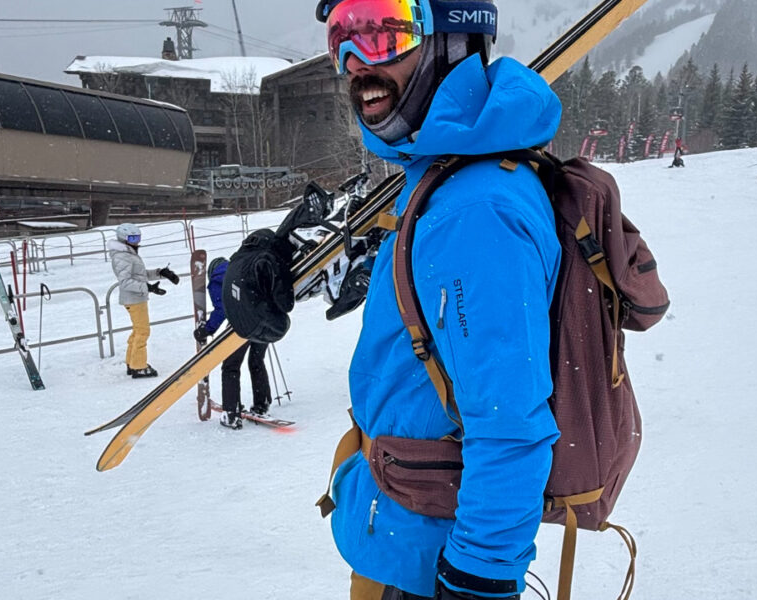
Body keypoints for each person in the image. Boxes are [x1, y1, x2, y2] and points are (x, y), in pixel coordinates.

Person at [226, 1, 562, 598]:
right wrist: (282, 259)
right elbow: (404, 274)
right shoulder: (441, 173)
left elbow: (510, 423)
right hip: (400, 527)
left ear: (455, 38)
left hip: (431, 563)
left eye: (383, 32)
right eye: (342, 38)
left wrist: (477, 580)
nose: (357, 62)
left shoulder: (476, 210)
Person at [194, 256, 272, 429]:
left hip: (242, 322)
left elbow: (222, 308)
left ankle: (231, 413)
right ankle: (262, 403)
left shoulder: (217, 279)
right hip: (265, 320)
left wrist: (207, 329)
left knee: (230, 366)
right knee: (256, 360)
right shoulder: (243, 269)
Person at [108, 223, 179, 378]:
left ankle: (131, 361)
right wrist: (148, 288)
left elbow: (140, 275)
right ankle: (139, 366)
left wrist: (161, 273)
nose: (136, 241)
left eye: (138, 237)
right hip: (134, 299)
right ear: (123, 238)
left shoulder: (129, 253)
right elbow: (125, 282)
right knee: (143, 331)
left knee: (137, 330)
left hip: (136, 297)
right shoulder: (122, 256)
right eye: (132, 238)